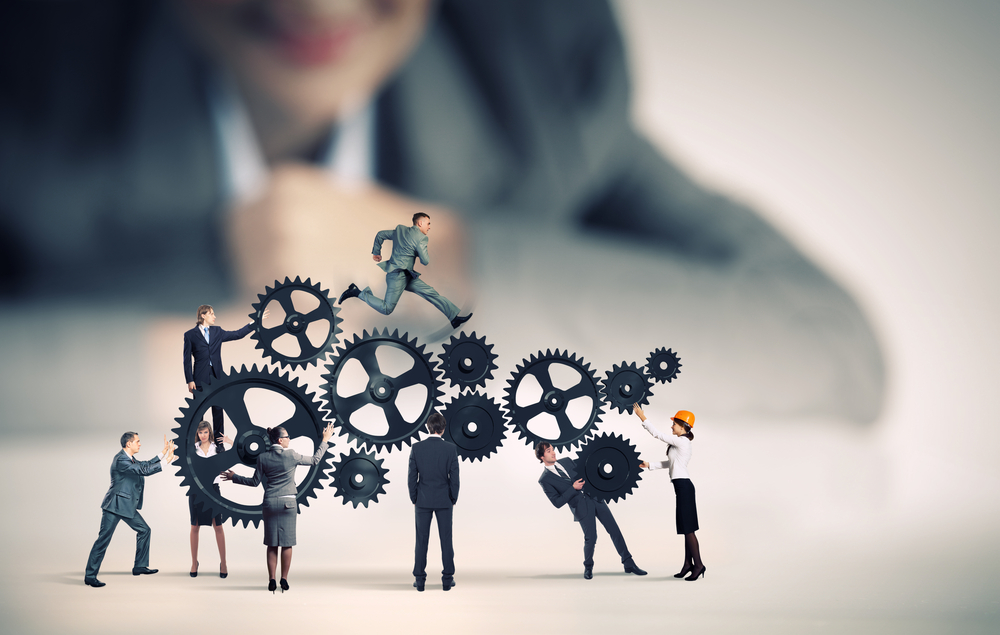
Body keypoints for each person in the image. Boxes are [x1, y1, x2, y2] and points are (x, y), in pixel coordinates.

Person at [0, 0, 884, 424]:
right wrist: (212, 365)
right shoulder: (32, 75)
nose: (318, 3)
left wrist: (437, 258)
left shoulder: (533, 91)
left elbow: (827, 347)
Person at [222, 423, 334, 593]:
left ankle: (272, 580)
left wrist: (234, 477)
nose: (290, 439)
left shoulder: (262, 457)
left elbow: (254, 483)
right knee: (287, 544)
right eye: (288, 437)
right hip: (288, 503)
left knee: (272, 544)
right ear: (280, 440)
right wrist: (325, 440)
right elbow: (315, 460)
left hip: (270, 503)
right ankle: (284, 580)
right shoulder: (292, 455)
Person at [339, 212, 472, 330]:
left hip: (407, 275)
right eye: (428, 224)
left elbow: (381, 235)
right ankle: (358, 293)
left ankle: (454, 318)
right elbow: (425, 260)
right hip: (397, 276)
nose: (429, 227)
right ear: (420, 223)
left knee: (430, 293)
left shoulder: (399, 231)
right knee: (387, 309)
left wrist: (376, 252)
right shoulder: (421, 238)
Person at [535, 442, 646, 579]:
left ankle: (629, 563)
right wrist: (573, 488)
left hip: (596, 499)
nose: (553, 452)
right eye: (548, 451)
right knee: (591, 538)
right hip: (581, 507)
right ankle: (588, 567)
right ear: (541, 457)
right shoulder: (544, 480)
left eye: (552, 449)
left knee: (614, 530)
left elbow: (586, 472)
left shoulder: (567, 461)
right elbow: (557, 502)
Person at [84, 432, 177, 588]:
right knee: (103, 541)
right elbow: (144, 471)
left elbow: (144, 465)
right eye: (137, 441)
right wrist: (167, 461)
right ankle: (90, 576)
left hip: (127, 506)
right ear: (129, 444)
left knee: (144, 530)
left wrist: (163, 452)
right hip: (114, 506)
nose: (140, 444)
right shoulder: (121, 459)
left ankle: (139, 566)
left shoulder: (130, 459)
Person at [633, 403, 705, 581]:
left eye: (674, 424)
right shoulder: (678, 445)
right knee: (685, 527)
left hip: (684, 487)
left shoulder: (682, 441)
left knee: (688, 529)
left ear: (683, 426)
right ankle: (688, 564)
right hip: (680, 487)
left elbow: (657, 434)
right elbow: (671, 464)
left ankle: (699, 565)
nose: (672, 426)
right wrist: (650, 465)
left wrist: (642, 417)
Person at [183, 305, 264, 450]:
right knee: (198, 414)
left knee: (218, 412)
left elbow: (237, 334)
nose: (214, 316)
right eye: (211, 314)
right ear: (203, 315)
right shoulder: (190, 335)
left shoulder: (217, 331)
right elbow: (187, 360)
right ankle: (196, 446)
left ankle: (219, 445)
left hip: (217, 378)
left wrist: (255, 323)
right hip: (199, 378)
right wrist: (190, 380)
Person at [407, 412, 460, 592]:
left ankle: (420, 580)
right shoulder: (450, 449)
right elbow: (455, 479)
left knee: (421, 540)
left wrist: (414, 497)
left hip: (422, 500)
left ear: (428, 427)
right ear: (443, 429)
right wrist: (453, 498)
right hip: (444, 500)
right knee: (446, 540)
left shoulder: (417, 448)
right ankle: (447, 580)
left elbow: (411, 477)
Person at [188, 420, 230, 578]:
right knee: (194, 527)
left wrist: (229, 441)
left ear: (210, 432)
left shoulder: (217, 448)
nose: (203, 435)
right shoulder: (194, 448)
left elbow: (230, 460)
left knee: (218, 527)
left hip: (213, 490)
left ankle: (224, 563)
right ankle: (194, 562)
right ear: (197, 433)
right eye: (200, 432)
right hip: (196, 490)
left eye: (205, 432)